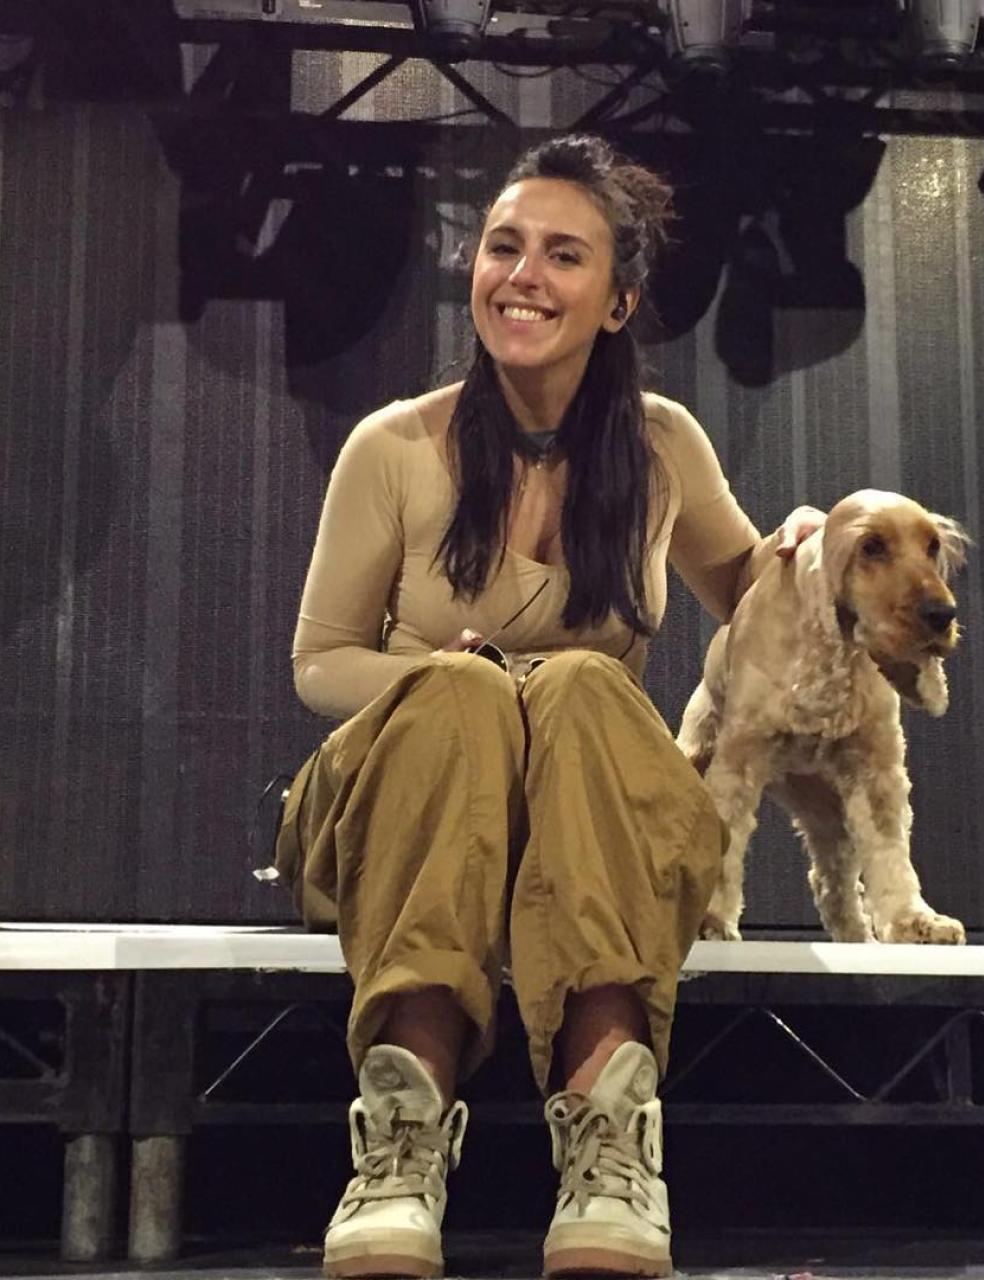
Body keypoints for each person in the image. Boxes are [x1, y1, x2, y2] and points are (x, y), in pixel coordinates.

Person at [273, 134, 821, 1280]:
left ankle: (610, 1142)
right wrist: (460, 678)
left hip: (583, 828)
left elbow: (752, 597)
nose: (520, 275)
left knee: (579, 682)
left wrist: (807, 553)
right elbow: (320, 663)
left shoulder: (663, 447)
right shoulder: (393, 445)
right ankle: (400, 1144)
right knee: (468, 690)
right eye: (502, 247)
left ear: (617, 301)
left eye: (562, 255)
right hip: (399, 812)